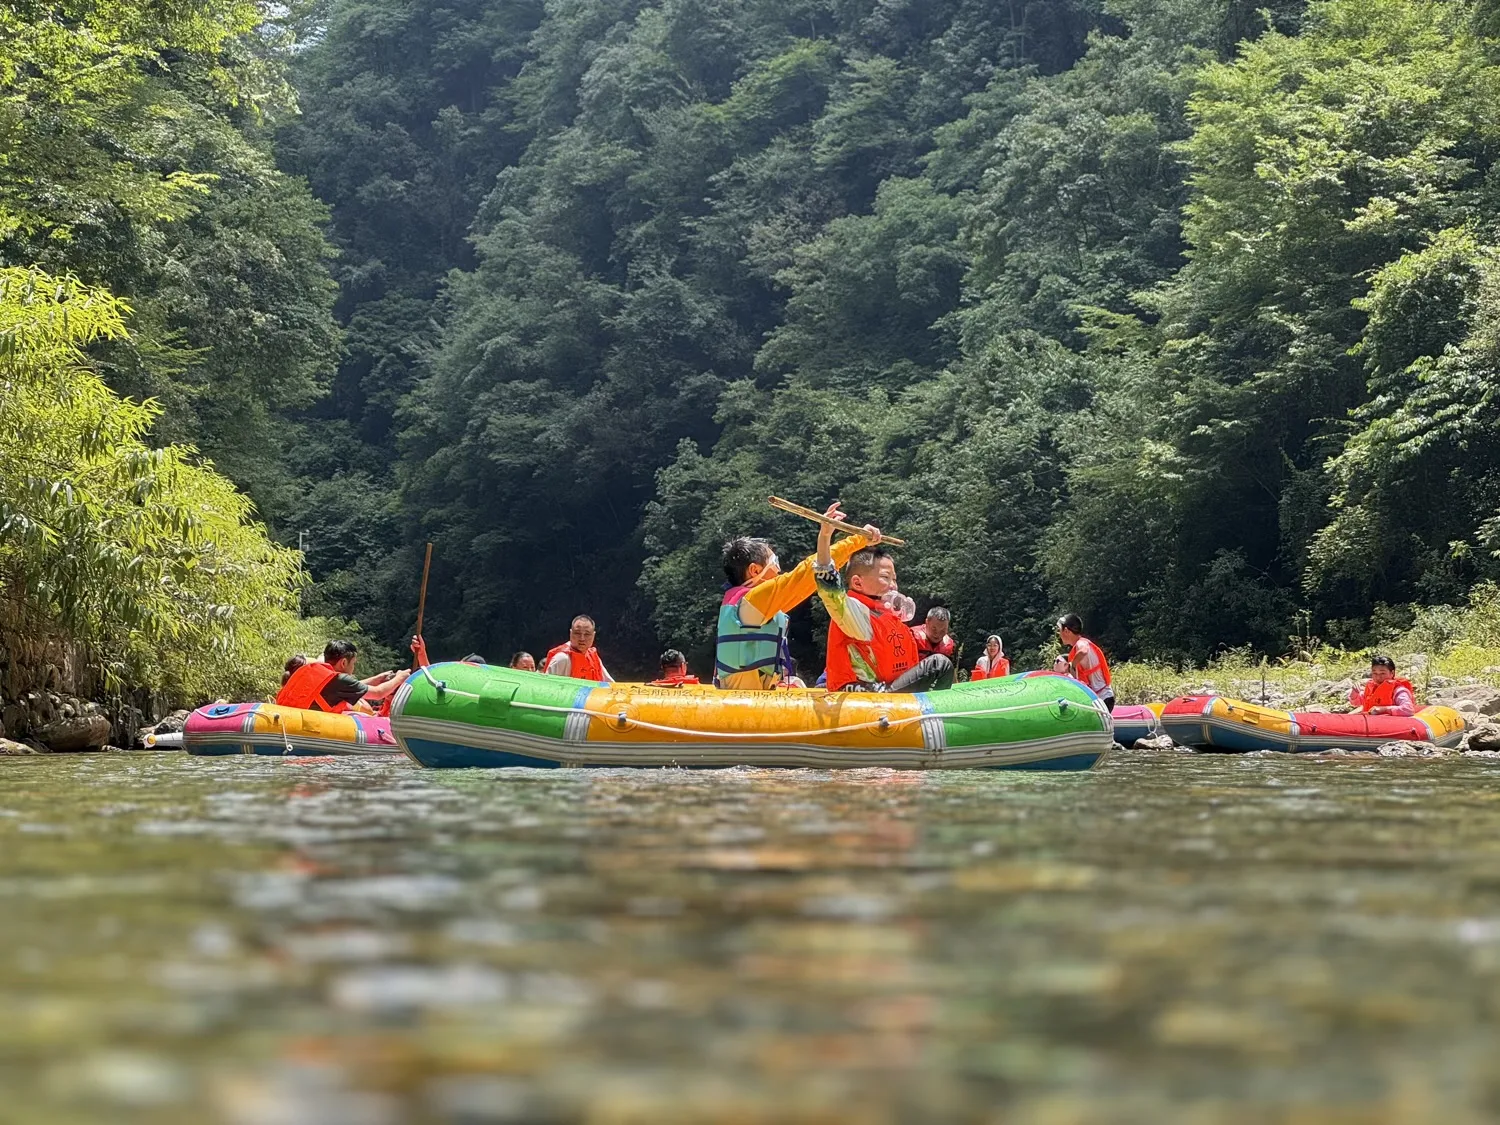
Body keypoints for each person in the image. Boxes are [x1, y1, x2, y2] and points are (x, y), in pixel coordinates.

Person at [716, 502, 872, 690]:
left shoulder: (741, 604)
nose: (779, 569)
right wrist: (858, 541)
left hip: (753, 692)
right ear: (755, 570)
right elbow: (808, 573)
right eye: (775, 562)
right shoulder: (753, 600)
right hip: (746, 699)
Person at [814, 504, 953, 693]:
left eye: (894, 579)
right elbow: (829, 589)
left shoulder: (887, 614)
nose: (893, 585)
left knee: (939, 665)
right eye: (885, 578)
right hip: (866, 694)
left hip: (889, 688)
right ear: (858, 583)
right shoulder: (855, 612)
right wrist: (824, 536)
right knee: (939, 664)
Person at [277, 640, 410, 714]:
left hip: (286, 716)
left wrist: (376, 679)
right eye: (353, 663)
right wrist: (400, 677)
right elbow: (378, 693)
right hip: (304, 726)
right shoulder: (340, 680)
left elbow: (346, 687)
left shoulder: (313, 671)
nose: (353, 668)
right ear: (344, 663)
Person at [1053, 614, 1114, 712]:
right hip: (1099, 699)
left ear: (1066, 631)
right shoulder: (1076, 648)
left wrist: (1072, 665)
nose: (1059, 634)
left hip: (1102, 699)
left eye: (1060, 630)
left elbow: (1083, 651)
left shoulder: (1081, 643)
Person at [544, 616, 613, 682]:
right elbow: (547, 686)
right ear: (570, 633)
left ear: (593, 635)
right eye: (577, 633)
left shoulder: (594, 658)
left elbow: (609, 685)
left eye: (587, 634)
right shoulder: (562, 658)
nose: (582, 638)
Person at [1348, 654, 1416, 716]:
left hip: (1389, 724)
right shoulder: (1372, 688)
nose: (1378, 677)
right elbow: (1355, 703)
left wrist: (1384, 709)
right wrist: (1354, 691)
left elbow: (1408, 710)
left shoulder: (1399, 691)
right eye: (1375, 673)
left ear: (1392, 673)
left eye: (1382, 673)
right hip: (1372, 723)